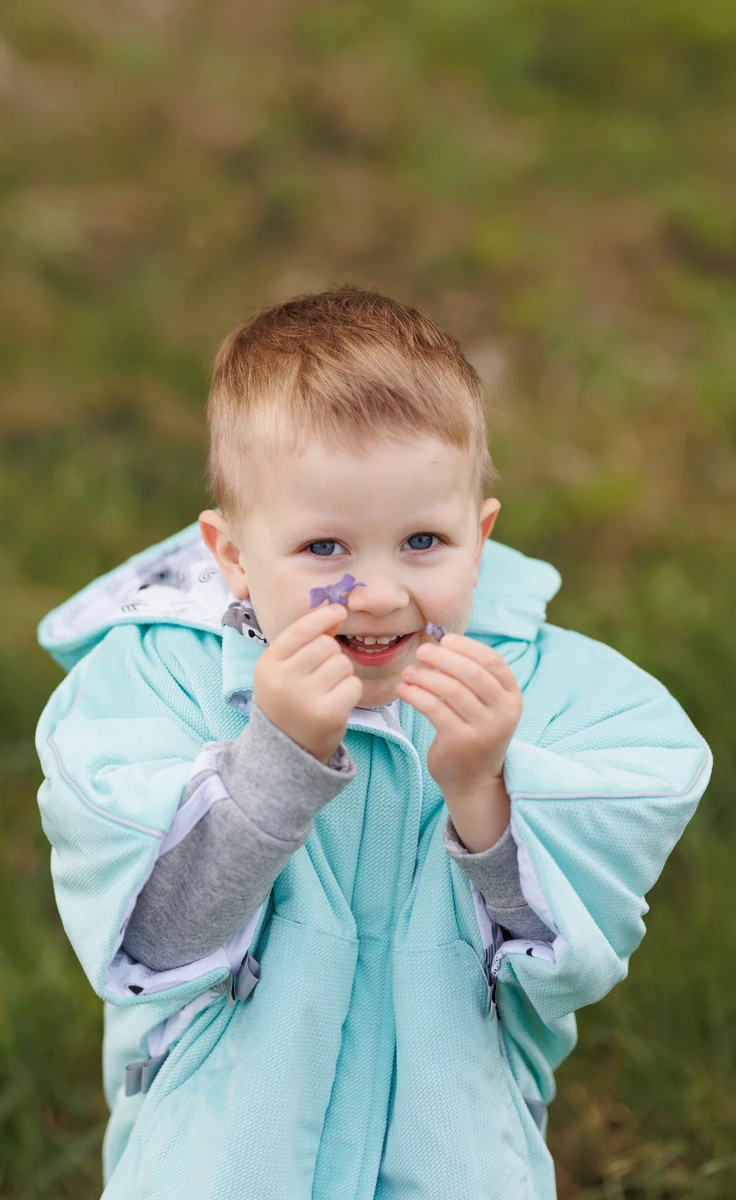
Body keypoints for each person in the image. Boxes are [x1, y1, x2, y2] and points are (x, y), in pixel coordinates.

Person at [35, 286, 712, 1199]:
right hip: (228, 1153)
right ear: (230, 554)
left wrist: (485, 793)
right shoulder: (160, 688)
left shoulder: (539, 694)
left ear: (481, 536)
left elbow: (570, 958)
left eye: (423, 541)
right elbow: (153, 939)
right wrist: (273, 758)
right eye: (325, 548)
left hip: (452, 1147)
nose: (378, 592)